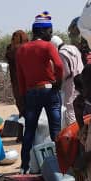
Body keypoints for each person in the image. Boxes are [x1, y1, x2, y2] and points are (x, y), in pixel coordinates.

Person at [15, 12, 64, 172]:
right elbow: (59, 65)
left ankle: (24, 166)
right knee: (55, 130)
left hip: (30, 93)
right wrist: (58, 82)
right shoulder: (47, 46)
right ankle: (61, 165)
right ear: (42, 31)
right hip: (49, 91)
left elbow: (20, 76)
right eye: (50, 31)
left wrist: (22, 99)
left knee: (29, 130)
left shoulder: (22, 50)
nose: (51, 34)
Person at [59, 38, 84, 128]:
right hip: (79, 79)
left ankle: (72, 129)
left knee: (69, 106)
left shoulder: (62, 53)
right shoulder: (73, 48)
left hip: (69, 82)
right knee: (77, 103)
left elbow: (66, 72)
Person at [5, 30, 29, 113]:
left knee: (22, 103)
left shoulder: (13, 49)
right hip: (21, 80)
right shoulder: (26, 48)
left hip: (19, 80)